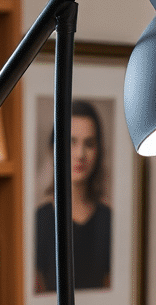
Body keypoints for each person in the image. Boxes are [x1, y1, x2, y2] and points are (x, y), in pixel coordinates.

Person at [34, 100, 112, 292]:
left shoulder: (109, 220)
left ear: (99, 150)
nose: (80, 154)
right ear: (53, 149)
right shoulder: (39, 221)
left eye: (89, 144)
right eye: (71, 142)